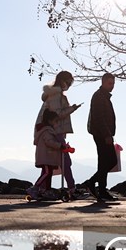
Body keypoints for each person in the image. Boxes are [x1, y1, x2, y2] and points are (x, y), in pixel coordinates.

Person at [37, 70, 83, 200]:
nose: (69, 85)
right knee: (65, 162)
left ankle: (42, 189)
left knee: (49, 163)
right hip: (56, 131)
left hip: (54, 132)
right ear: (63, 81)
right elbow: (57, 115)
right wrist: (72, 109)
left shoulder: (52, 95)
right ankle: (72, 189)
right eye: (68, 82)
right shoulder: (57, 95)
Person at [83, 73, 117, 202]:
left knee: (104, 162)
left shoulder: (104, 97)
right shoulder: (99, 97)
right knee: (110, 161)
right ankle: (93, 184)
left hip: (104, 133)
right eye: (110, 83)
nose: (112, 86)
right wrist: (107, 134)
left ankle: (101, 189)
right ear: (103, 82)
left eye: (113, 83)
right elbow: (99, 118)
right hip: (101, 134)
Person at [29, 110, 63, 200]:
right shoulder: (47, 131)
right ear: (50, 121)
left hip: (47, 157)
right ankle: (35, 188)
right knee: (47, 172)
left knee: (48, 173)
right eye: (56, 121)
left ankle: (47, 190)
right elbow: (49, 142)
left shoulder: (45, 130)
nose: (57, 123)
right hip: (46, 156)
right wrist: (60, 146)